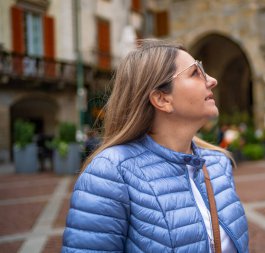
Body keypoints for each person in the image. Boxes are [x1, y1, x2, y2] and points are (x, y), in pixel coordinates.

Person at [62, 39, 249, 253]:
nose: (212, 80)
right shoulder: (111, 172)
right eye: (195, 73)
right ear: (162, 99)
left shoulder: (217, 164)